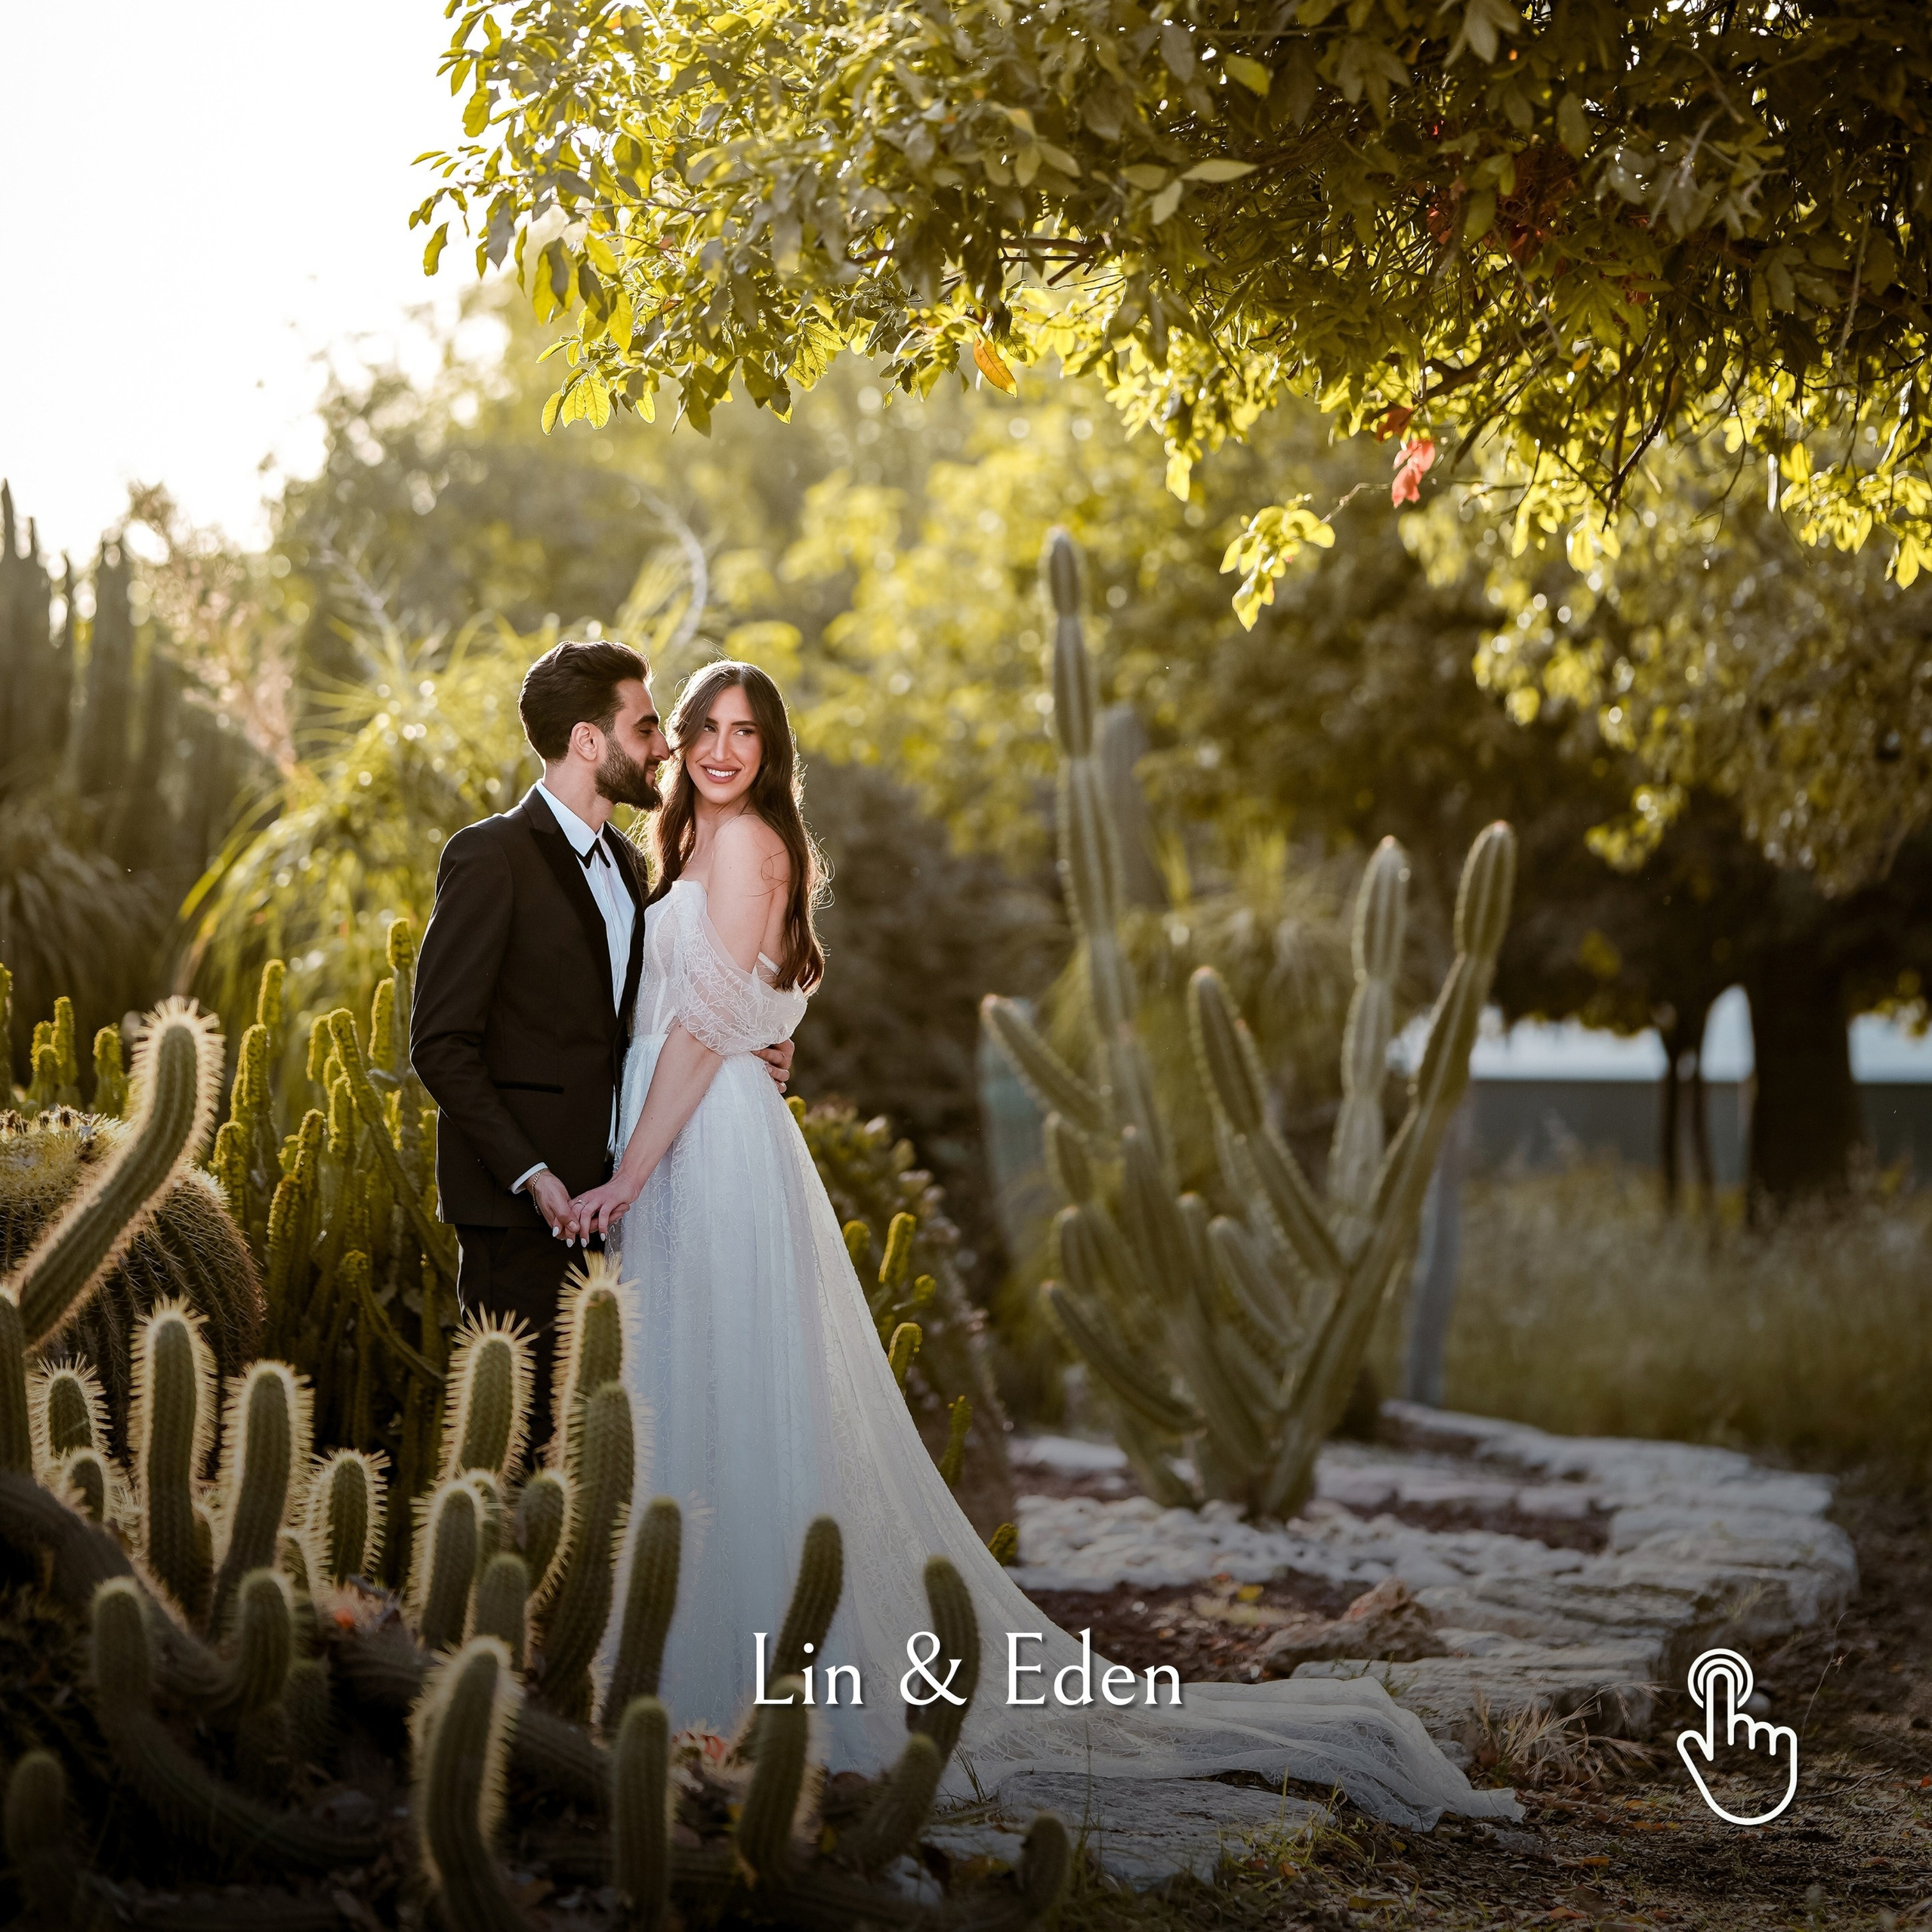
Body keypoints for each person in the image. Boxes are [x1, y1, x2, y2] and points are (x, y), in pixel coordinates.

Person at [565, 659, 1520, 1832]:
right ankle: (678, 1671)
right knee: (687, 1398)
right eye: (703, 728)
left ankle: (742, 1691)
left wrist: (633, 1166)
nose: (719, 749)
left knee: (733, 1401)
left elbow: (710, 1029)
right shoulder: (691, 849)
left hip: (702, 1154)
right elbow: (734, 1008)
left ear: (772, 749)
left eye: (744, 732)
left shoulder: (756, 845)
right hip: (692, 1135)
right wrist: (750, 1049)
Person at [410, 640, 791, 1447]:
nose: (665, 746)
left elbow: (668, 1002)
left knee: (614, 1443)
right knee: (514, 1438)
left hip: (625, 1195)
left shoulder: (628, 861)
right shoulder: (490, 855)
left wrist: (746, 1039)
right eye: (648, 726)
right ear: (590, 742)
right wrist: (533, 1173)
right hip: (523, 1210)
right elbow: (441, 1042)